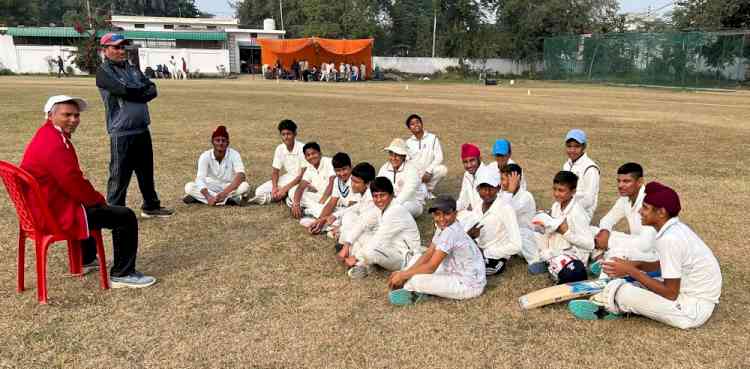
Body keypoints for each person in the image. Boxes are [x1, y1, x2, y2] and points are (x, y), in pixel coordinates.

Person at [20, 95, 156, 288]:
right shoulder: (55, 143)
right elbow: (72, 182)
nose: (74, 120)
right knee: (124, 216)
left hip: (43, 207)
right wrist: (98, 199)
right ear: (50, 115)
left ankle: (86, 258)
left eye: (76, 115)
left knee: (91, 205)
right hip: (54, 213)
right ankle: (123, 273)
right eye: (67, 115)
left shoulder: (46, 134)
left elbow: (70, 182)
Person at [569, 182, 722, 329]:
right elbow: (664, 266)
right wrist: (636, 265)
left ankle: (610, 306)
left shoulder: (669, 239)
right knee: (635, 280)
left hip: (692, 309)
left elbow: (670, 293)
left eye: (645, 208)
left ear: (661, 212)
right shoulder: (674, 228)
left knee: (624, 292)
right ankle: (613, 296)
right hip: (687, 293)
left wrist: (630, 270)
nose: (640, 211)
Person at [96, 33, 173, 218]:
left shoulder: (132, 68)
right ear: (105, 51)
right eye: (116, 47)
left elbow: (152, 89)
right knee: (119, 174)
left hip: (141, 128)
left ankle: (151, 205)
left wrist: (135, 90)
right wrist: (138, 90)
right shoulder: (104, 72)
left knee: (146, 171)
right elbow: (121, 90)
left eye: (123, 47)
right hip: (121, 132)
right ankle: (114, 212)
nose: (121, 51)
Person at [388, 196, 486, 305]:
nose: (442, 218)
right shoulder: (443, 227)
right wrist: (405, 273)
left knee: (416, 280)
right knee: (416, 258)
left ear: (455, 213)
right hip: (454, 270)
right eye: (437, 214)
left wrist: (403, 276)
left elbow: (431, 267)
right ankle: (415, 286)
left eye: (446, 214)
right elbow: (429, 253)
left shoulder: (451, 232)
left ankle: (414, 290)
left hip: (469, 285)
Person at [589, 162, 658, 277]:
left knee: (617, 253)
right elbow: (608, 219)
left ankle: (603, 265)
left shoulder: (649, 201)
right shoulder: (625, 199)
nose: (620, 185)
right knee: (591, 231)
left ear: (640, 182)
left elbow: (645, 245)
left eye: (626, 181)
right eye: (619, 181)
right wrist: (605, 232)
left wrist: (612, 245)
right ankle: (598, 259)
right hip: (633, 243)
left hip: (650, 255)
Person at [345, 177, 422, 279]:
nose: (379, 200)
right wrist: (347, 244)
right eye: (375, 196)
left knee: (371, 250)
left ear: (391, 195)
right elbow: (362, 223)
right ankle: (368, 266)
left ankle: (363, 265)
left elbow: (378, 240)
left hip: (404, 257)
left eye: (382, 195)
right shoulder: (381, 207)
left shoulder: (395, 210)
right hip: (389, 248)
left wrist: (356, 257)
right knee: (360, 235)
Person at [528, 171, 593, 283]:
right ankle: (549, 261)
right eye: (555, 189)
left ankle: (551, 264)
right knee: (532, 233)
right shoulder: (556, 205)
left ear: (573, 191)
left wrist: (566, 232)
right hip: (559, 246)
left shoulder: (577, 212)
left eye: (561, 190)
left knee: (563, 264)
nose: (557, 194)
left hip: (574, 254)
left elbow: (590, 244)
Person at [461, 166, 522, 276]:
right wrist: (469, 236)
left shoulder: (505, 208)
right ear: (477, 189)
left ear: (498, 188)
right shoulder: (478, 206)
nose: (487, 192)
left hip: (494, 259)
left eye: (491, 188)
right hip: (476, 251)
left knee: (464, 270)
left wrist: (485, 253)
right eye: (483, 188)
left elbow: (516, 245)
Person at [183, 126, 251, 206]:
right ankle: (229, 200)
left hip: (229, 186)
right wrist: (208, 197)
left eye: (223, 140)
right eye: (217, 140)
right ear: (212, 142)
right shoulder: (205, 156)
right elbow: (200, 178)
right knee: (189, 187)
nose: (220, 143)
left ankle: (199, 199)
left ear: (228, 143)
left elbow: (241, 175)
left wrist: (224, 193)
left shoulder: (234, 154)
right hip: (211, 185)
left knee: (245, 187)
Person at [251, 119, 306, 205]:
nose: (286, 137)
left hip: (301, 180)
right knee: (259, 191)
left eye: (289, 134)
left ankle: (280, 196)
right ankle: (279, 196)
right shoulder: (280, 148)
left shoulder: (303, 148)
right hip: (288, 178)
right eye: (283, 134)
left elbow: (302, 175)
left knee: (293, 195)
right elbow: (275, 172)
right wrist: (274, 187)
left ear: (295, 134)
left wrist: (285, 188)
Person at [334, 162, 378, 259]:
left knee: (359, 242)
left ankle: (352, 252)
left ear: (368, 183)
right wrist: (335, 216)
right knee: (349, 215)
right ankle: (348, 246)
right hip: (365, 228)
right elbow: (357, 206)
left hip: (372, 234)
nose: (352, 185)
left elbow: (362, 224)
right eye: (352, 180)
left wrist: (346, 245)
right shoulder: (365, 192)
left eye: (356, 182)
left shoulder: (373, 198)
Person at [498, 163, 538, 265]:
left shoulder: (526, 197)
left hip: (526, 237)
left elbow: (506, 213)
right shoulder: (503, 194)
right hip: (511, 237)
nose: (501, 183)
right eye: (501, 179)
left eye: (505, 179)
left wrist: (510, 190)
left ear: (517, 180)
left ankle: (536, 261)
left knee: (519, 233)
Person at [308, 153, 357, 234]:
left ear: (351, 167)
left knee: (347, 218)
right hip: (343, 210)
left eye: (344, 169)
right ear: (334, 170)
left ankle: (337, 228)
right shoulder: (336, 180)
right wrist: (320, 220)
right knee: (323, 210)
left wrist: (326, 219)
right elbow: (331, 203)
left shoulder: (355, 180)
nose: (342, 173)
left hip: (354, 211)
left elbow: (352, 207)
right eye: (338, 170)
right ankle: (327, 225)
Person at [287, 142, 335, 223]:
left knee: (292, 201)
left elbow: (332, 183)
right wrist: (296, 203)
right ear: (305, 157)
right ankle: (311, 210)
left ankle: (308, 211)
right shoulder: (310, 167)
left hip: (331, 198)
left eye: (313, 153)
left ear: (320, 153)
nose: (311, 157)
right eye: (308, 155)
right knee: (292, 191)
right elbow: (301, 187)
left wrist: (322, 200)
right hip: (318, 197)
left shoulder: (329, 162)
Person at [378, 138, 426, 218]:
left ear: (403, 156)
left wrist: (389, 207)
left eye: (397, 155)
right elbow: (377, 185)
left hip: (412, 203)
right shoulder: (385, 167)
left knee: (397, 210)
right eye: (391, 154)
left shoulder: (412, 169)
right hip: (389, 201)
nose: (393, 158)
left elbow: (407, 193)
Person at [404, 114, 447, 199]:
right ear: (409, 128)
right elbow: (407, 161)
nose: (416, 125)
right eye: (412, 124)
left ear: (422, 123)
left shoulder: (432, 138)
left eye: (417, 122)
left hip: (428, 171)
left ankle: (427, 190)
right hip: (415, 173)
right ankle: (420, 191)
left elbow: (439, 157)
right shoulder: (408, 143)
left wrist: (428, 171)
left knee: (442, 169)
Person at [562, 129, 600, 220]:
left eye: (576, 146)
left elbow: (589, 200)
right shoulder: (567, 165)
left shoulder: (590, 168)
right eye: (569, 146)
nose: (572, 150)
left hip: (583, 213)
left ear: (584, 147)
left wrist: (568, 208)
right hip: (565, 209)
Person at [456, 143, 484, 217]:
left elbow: (485, 208)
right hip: (475, 215)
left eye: (472, 160)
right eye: (465, 162)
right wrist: (451, 210)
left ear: (479, 159)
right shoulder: (467, 175)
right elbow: (463, 200)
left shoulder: (487, 175)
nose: (469, 165)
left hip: (486, 217)